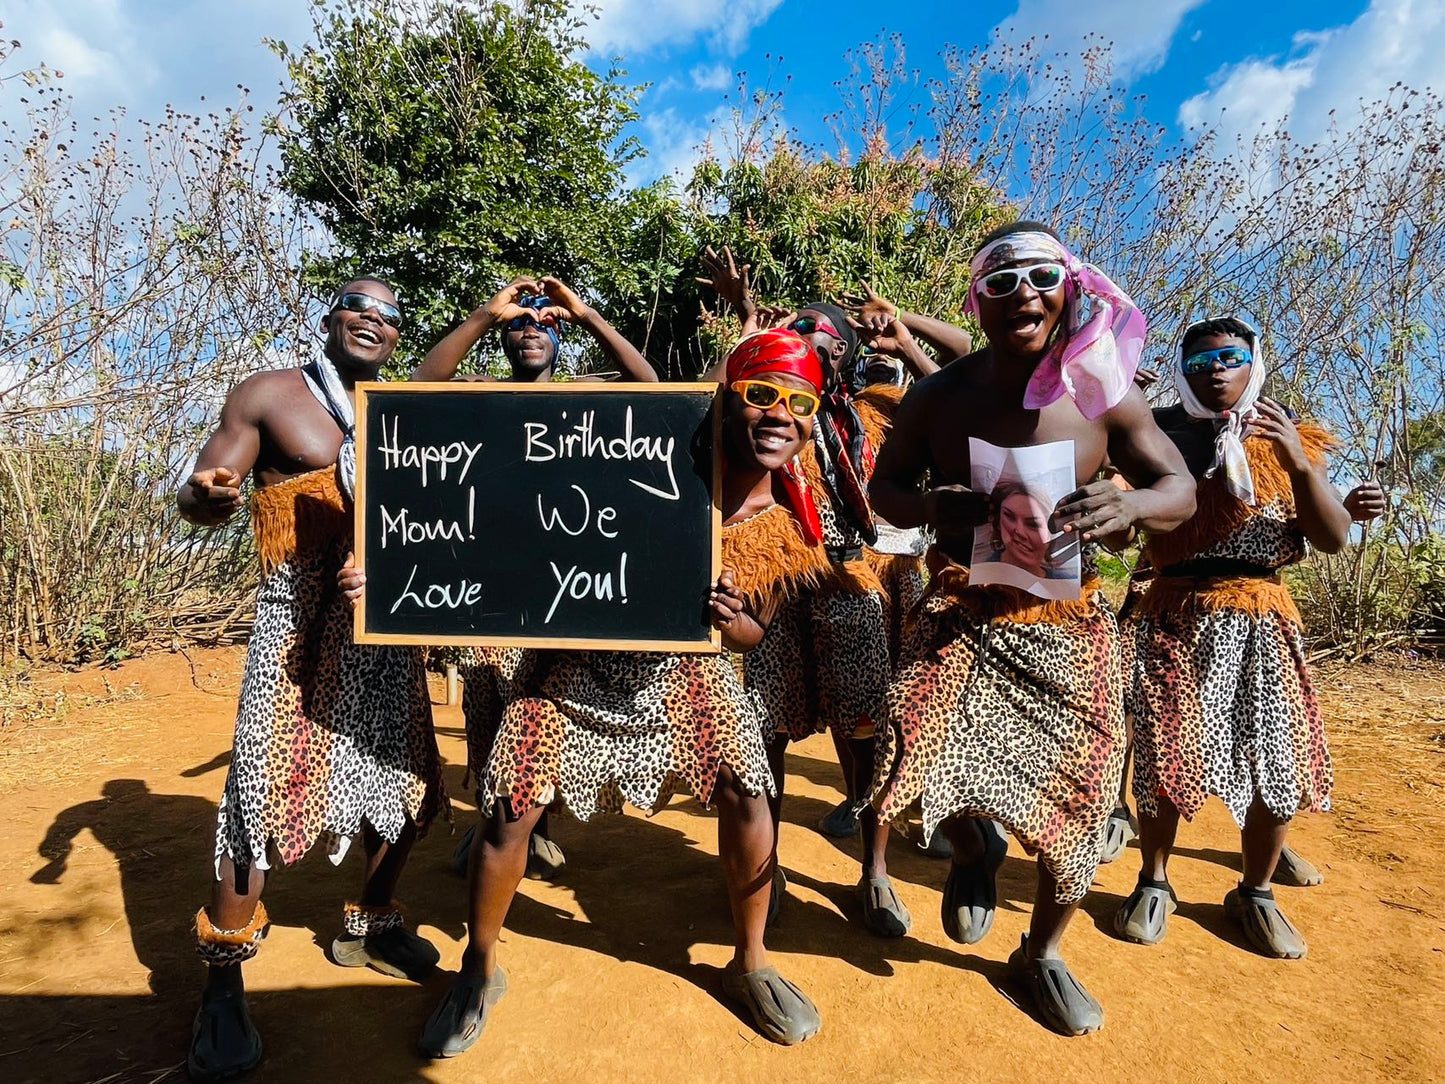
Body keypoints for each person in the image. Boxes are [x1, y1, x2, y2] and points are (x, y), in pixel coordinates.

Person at [345, 328, 828, 1055]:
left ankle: (751, 959)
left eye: (799, 403)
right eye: (761, 396)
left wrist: (734, 624)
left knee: (747, 790)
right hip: (569, 659)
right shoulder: (656, 442)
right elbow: (482, 503)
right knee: (510, 807)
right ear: (728, 400)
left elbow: (755, 634)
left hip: (681, 671)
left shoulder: (785, 511)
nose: (778, 416)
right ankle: (478, 966)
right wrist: (378, 576)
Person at [868, 221, 1196, 1035]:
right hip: (956, 609)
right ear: (975, 298)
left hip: (1064, 619)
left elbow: (1177, 486)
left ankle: (1040, 955)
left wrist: (1129, 502)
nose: (1022, 296)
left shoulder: (1101, 392)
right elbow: (884, 489)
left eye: (1040, 278)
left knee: (1083, 791)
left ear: (1069, 286)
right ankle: (975, 852)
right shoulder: (937, 397)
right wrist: (931, 506)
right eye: (1000, 282)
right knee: (912, 752)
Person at [177, 278, 447, 1083]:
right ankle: (221, 984)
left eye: (393, 316)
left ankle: (371, 921)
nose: (375, 320)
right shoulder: (268, 395)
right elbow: (204, 494)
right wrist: (206, 496)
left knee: (402, 779)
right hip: (296, 626)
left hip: (387, 624)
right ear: (330, 318)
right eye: (358, 305)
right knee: (258, 792)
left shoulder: (402, 414)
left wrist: (484, 316)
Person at [1112, 316, 1376, 957]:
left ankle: (1254, 891)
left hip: (1263, 619)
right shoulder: (1157, 434)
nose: (1216, 370)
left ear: (1253, 364)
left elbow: (1333, 536)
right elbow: (1124, 531)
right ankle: (1154, 880)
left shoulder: (1284, 435)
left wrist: (1301, 465)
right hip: (1175, 614)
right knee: (1162, 756)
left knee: (1279, 761)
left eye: (1230, 357)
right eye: (1200, 363)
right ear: (1184, 372)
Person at [411, 276, 661, 882]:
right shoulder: (481, 393)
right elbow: (418, 389)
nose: (531, 332)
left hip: (564, 582)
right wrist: (483, 313)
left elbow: (650, 387)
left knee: (540, 708)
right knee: (487, 704)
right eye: (520, 326)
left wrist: (585, 313)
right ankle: (497, 822)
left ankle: (532, 826)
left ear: (560, 339)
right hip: (493, 581)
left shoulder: (582, 395)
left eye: (545, 326)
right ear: (503, 338)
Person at [985, 481, 1064, 578]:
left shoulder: (1071, 586)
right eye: (1009, 516)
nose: (1019, 531)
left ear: (1050, 533)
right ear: (998, 522)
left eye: (1033, 524)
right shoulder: (974, 578)